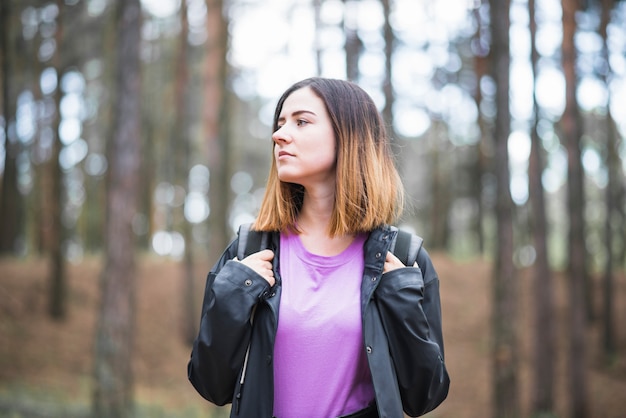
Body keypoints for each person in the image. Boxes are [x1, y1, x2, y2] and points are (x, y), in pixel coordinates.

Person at [188, 77, 450, 418]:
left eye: (301, 121)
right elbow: (211, 385)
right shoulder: (248, 252)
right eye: (280, 123)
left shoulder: (403, 260)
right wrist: (232, 294)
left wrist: (401, 299)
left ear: (349, 136)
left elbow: (424, 397)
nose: (279, 135)